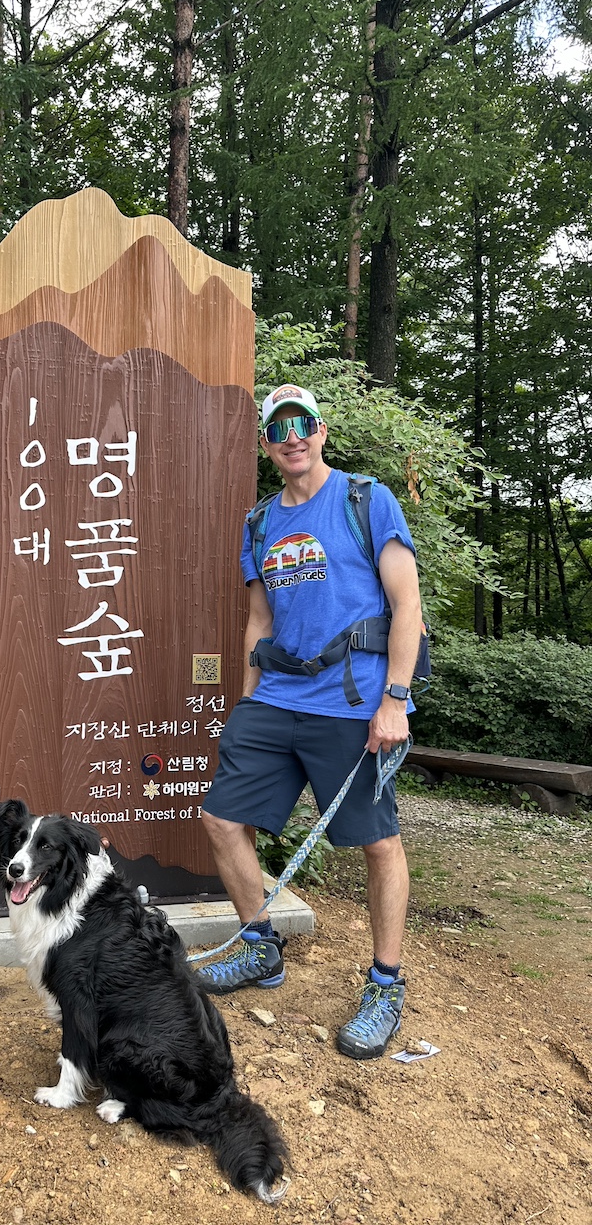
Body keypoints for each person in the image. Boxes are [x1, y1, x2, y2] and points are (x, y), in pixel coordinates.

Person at [196, 382, 424, 1060]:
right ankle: (259, 947)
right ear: (267, 446)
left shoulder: (365, 500)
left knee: (377, 843)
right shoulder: (260, 523)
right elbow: (259, 623)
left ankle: (385, 984)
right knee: (219, 818)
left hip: (352, 704)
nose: (292, 435)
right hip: (275, 702)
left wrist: (395, 698)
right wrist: (244, 703)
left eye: (304, 423)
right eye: (278, 427)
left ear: (321, 432)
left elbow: (406, 605)